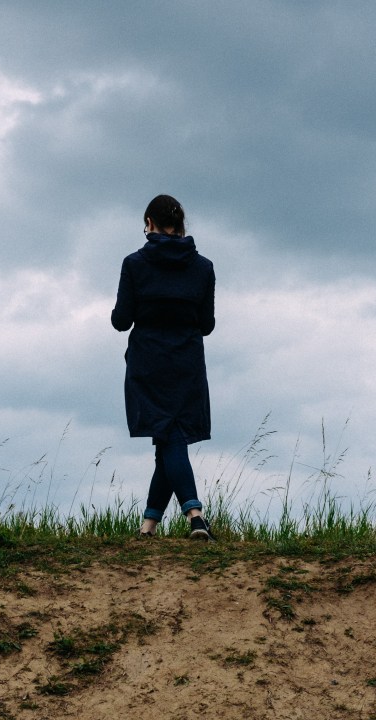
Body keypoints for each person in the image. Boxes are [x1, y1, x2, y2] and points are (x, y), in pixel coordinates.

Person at [111, 194, 216, 541]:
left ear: (149, 224)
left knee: (169, 437)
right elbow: (207, 324)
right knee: (171, 439)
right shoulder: (203, 267)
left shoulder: (134, 264)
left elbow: (121, 321)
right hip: (186, 362)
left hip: (148, 362)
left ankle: (194, 513)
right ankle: (149, 526)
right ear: (181, 226)